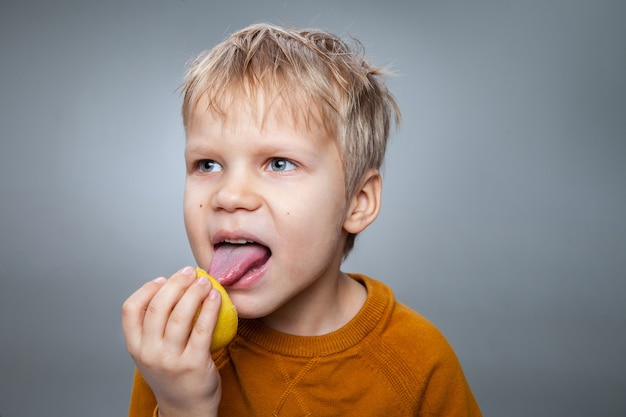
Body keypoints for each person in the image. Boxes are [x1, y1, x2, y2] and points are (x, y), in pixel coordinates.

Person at [121, 22, 482, 417]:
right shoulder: (178, 353)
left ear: (357, 202)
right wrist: (182, 405)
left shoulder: (418, 362)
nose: (229, 195)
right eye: (207, 164)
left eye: (278, 163)